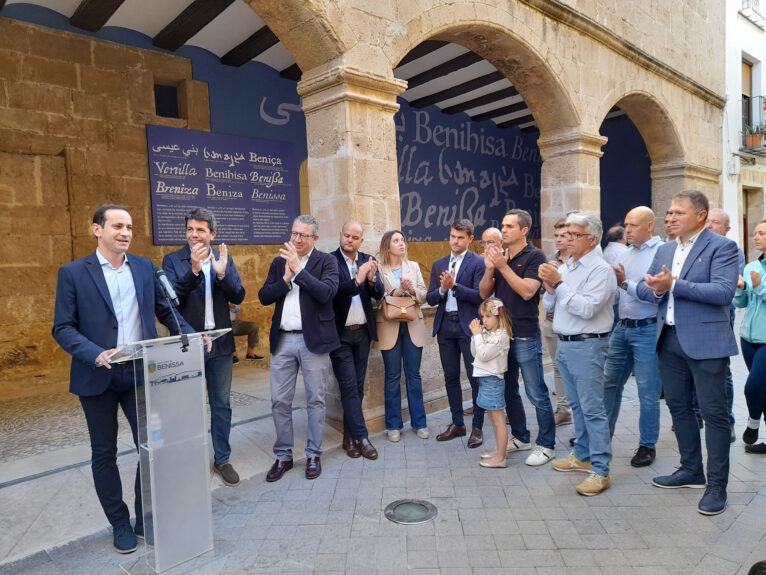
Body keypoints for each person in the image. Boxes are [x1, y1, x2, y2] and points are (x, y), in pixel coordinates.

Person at [52, 205, 194, 553]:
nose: (125, 232)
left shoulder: (145, 268)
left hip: (138, 372)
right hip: (96, 374)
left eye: (129, 226)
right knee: (104, 452)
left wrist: (191, 336)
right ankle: (119, 522)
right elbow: (62, 327)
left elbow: (167, 311)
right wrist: (93, 353)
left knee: (152, 446)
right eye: (117, 225)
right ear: (96, 230)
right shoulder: (73, 273)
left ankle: (144, 518)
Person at [636, 190, 739, 516]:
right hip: (667, 340)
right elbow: (644, 287)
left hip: (707, 343)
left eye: (678, 212)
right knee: (679, 409)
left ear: (700, 216)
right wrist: (651, 286)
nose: (671, 217)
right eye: (669, 212)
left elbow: (723, 292)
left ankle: (716, 485)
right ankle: (691, 469)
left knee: (714, 414)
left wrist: (673, 285)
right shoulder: (666, 248)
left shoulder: (723, 247)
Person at [162, 207, 245, 488]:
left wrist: (222, 275)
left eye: (200, 230)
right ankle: (190, 459)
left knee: (221, 404)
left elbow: (239, 295)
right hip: (187, 347)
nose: (194, 235)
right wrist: (195, 271)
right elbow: (170, 300)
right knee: (188, 406)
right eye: (189, 229)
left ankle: (222, 458)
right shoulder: (173, 261)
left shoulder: (223, 258)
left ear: (212, 234)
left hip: (220, 345)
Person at [258, 215, 339, 481]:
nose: (296, 239)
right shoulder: (279, 262)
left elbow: (326, 293)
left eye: (303, 235)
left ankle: (314, 453)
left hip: (313, 341)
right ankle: (283, 455)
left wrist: (300, 272)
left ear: (315, 238)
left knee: (315, 399)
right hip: (283, 340)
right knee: (279, 400)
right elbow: (264, 296)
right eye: (294, 233)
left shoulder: (326, 261)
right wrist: (285, 278)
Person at [540, 211, 615, 496]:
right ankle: (582, 454)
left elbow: (586, 309)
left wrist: (558, 284)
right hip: (566, 343)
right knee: (578, 406)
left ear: (592, 239)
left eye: (574, 235)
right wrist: (550, 287)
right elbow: (551, 304)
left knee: (593, 409)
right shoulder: (568, 265)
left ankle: (601, 470)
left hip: (588, 345)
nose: (567, 239)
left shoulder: (601, 270)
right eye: (566, 234)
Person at [479, 209, 556, 467]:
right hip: (501, 337)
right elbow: (484, 292)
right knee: (509, 391)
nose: (504, 230)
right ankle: (521, 437)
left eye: (510, 226)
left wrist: (502, 266)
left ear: (524, 231)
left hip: (524, 335)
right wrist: (491, 269)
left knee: (536, 392)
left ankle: (546, 445)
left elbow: (527, 292)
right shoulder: (500, 257)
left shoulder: (535, 256)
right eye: (502, 225)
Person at [602, 206, 663, 467]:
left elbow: (657, 294)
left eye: (633, 225)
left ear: (650, 225)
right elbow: (617, 294)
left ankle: (647, 446)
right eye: (626, 224)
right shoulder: (624, 254)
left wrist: (625, 283)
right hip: (622, 328)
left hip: (648, 329)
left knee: (647, 392)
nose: (627, 229)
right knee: (609, 385)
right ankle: (601, 438)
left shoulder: (662, 253)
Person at [427, 219, 486, 448]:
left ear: (470, 239)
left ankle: (478, 427)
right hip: (445, 327)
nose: (455, 241)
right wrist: (442, 289)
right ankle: (457, 423)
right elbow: (431, 298)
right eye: (452, 236)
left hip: (468, 327)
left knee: (475, 379)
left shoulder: (478, 263)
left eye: (460, 237)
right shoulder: (439, 263)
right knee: (450, 377)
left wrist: (454, 287)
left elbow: (480, 296)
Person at [329, 221, 385, 460]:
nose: (349, 240)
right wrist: (358, 279)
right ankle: (362, 437)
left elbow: (379, 293)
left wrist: (372, 280)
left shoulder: (368, 259)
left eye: (355, 237)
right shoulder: (329, 261)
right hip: (339, 335)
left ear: (361, 240)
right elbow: (333, 292)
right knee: (349, 386)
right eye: (346, 235)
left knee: (357, 386)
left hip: (362, 333)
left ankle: (348, 438)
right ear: (340, 235)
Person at [374, 230, 429, 441]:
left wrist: (412, 290)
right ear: (387, 246)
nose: (401, 244)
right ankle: (394, 425)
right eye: (396, 241)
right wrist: (397, 291)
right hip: (389, 325)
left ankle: (420, 422)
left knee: (414, 375)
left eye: (403, 240)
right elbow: (375, 299)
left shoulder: (413, 266)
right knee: (393, 376)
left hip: (413, 324)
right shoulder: (379, 268)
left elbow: (423, 295)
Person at [707, 208, 746, 442]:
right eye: (708, 221)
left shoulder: (733, 250)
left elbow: (731, 284)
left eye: (716, 222)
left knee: (723, 369)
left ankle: (728, 420)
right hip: (696, 315)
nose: (710, 225)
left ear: (727, 228)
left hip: (723, 313)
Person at [734, 219, 766, 454]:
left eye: (761, 233)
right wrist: (740, 287)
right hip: (748, 339)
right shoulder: (751, 266)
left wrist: (758, 287)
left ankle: (753, 423)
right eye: (755, 233)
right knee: (763, 389)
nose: (756, 237)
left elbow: (760, 293)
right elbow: (742, 302)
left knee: (752, 387)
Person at [471, 298, 513, 468]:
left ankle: (501, 457)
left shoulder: (502, 336)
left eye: (488, 316)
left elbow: (484, 355)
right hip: (484, 379)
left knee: (498, 419)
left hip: (493, 380)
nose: (484, 320)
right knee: (492, 417)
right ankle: (499, 450)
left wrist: (477, 335)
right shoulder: (487, 333)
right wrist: (477, 337)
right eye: (482, 316)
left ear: (498, 315)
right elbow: (475, 352)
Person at [542, 218, 572, 426]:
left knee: (574, 368)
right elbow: (547, 298)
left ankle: (575, 410)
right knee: (558, 366)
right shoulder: (551, 259)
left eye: (564, 236)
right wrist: (548, 285)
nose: (559, 240)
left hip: (574, 323)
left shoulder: (580, 261)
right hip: (552, 321)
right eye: (556, 236)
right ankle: (563, 409)